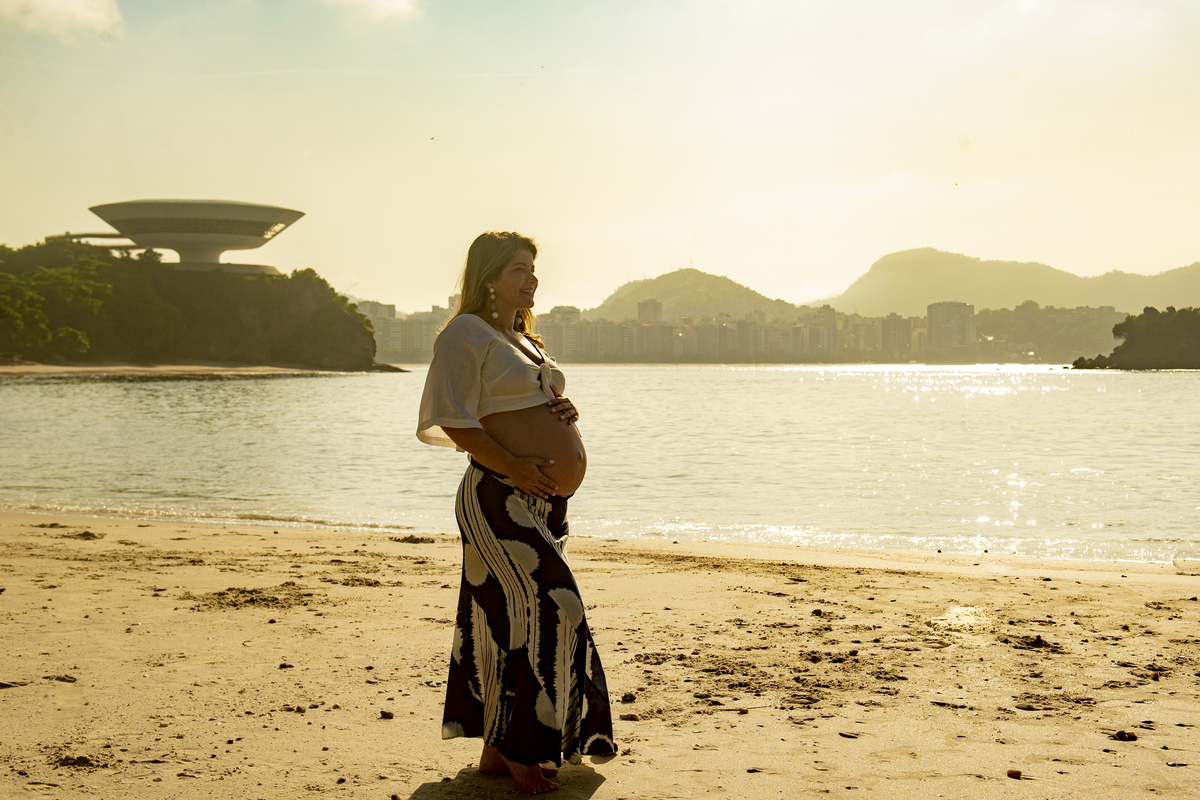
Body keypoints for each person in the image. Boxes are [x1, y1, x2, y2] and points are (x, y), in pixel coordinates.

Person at [416, 231, 616, 794]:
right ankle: (525, 750)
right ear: (488, 279)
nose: (532, 279)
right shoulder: (465, 332)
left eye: (533, 269)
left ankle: (496, 749)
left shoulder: (521, 339)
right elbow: (455, 420)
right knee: (556, 607)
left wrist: (563, 411)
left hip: (544, 503)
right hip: (497, 496)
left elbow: (520, 402)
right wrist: (518, 468)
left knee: (502, 617)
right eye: (519, 270)